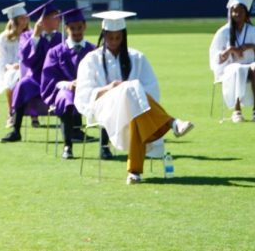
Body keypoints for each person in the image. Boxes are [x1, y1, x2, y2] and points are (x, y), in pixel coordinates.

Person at [74, 11, 194, 185]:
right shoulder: (90, 60)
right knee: (130, 88)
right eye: (110, 38)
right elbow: (84, 95)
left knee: (135, 105)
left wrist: (126, 91)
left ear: (124, 36)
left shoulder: (137, 57)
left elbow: (151, 89)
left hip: (136, 109)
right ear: (103, 36)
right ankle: (171, 122)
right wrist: (111, 87)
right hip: (103, 107)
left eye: (118, 38)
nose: (114, 42)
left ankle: (134, 172)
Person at [2, 0, 61, 143]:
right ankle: (16, 130)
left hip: (54, 80)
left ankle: (74, 130)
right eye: (55, 17)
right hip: (35, 78)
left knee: (68, 87)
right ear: (44, 21)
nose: (58, 20)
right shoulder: (27, 36)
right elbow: (26, 59)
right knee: (22, 85)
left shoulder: (60, 38)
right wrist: (35, 37)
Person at [40, 8, 96, 159]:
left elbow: (100, 76)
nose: (76, 32)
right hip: (65, 92)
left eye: (79, 28)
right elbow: (50, 79)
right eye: (72, 28)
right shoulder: (55, 52)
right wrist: (68, 84)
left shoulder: (94, 50)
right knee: (65, 97)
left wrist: (85, 83)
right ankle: (68, 145)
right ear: (66, 28)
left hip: (89, 92)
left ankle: (105, 146)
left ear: (85, 26)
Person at [209, 0, 255, 122]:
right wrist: (229, 50)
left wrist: (252, 47)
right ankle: (237, 109)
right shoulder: (223, 32)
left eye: (240, 11)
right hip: (230, 68)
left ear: (246, 13)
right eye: (234, 11)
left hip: (250, 64)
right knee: (238, 69)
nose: (237, 14)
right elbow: (216, 56)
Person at [0, 2, 28, 128]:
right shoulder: (3, 39)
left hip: (26, 68)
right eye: (22, 18)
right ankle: (11, 113)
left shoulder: (30, 36)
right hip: (9, 70)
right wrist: (10, 66)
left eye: (26, 17)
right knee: (11, 77)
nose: (25, 20)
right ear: (15, 20)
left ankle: (34, 115)